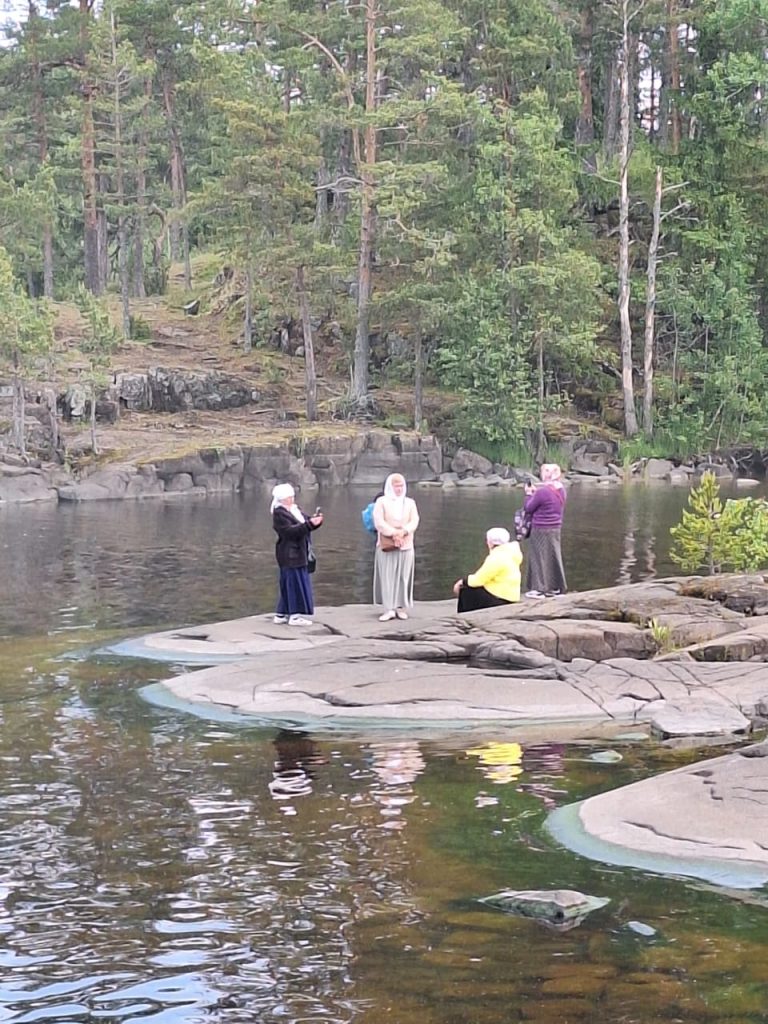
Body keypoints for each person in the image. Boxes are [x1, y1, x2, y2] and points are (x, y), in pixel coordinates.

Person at [271, 483, 323, 626]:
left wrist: (315, 522)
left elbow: (305, 524)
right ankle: (294, 616)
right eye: (289, 497)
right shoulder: (279, 513)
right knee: (294, 584)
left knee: (289, 583)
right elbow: (290, 532)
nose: (292, 499)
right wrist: (310, 524)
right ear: (282, 499)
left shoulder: (294, 510)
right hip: (289, 554)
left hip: (298, 553)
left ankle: (281, 614)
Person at [373, 473, 419, 621]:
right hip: (387, 545)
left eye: (401, 486)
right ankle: (389, 609)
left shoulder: (410, 503)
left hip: (406, 545)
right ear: (390, 487)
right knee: (388, 577)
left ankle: (401, 608)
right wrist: (393, 534)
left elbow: (414, 521)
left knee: (403, 577)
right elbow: (379, 522)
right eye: (396, 486)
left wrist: (403, 532)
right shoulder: (381, 502)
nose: (399, 489)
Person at [522, 463, 567, 597]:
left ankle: (539, 589)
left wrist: (528, 494)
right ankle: (556, 587)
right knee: (553, 556)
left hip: (540, 528)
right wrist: (535, 494)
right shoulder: (561, 490)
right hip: (555, 528)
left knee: (538, 558)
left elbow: (528, 508)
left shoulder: (542, 492)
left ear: (545, 475)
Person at [453, 527, 523, 612]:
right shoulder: (511, 553)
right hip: (511, 596)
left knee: (466, 589)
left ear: (490, 542)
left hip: (500, 598)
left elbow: (478, 580)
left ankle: (466, 615)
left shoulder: (497, 557)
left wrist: (462, 582)